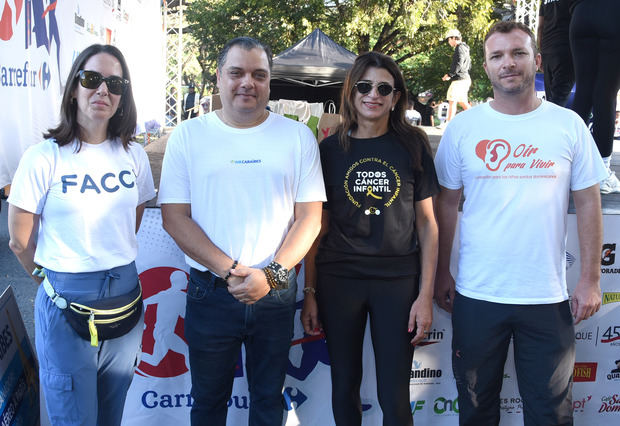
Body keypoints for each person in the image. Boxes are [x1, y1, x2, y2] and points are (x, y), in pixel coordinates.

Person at [434, 21, 606, 426]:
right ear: (486, 66)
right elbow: (446, 205)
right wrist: (442, 272)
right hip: (477, 296)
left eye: (517, 53)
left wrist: (591, 278)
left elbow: (588, 203)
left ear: (537, 60)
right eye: (497, 56)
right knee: (476, 412)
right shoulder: (463, 128)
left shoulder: (569, 126)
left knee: (550, 415)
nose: (507, 63)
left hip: (546, 299)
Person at [158, 37, 325, 426]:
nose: (247, 82)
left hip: (277, 292)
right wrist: (231, 271)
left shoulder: (297, 137)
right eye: (237, 73)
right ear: (219, 78)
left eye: (258, 74)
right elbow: (174, 217)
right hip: (211, 292)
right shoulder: (188, 136)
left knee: (268, 403)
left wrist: (271, 276)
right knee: (207, 404)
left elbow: (310, 219)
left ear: (269, 82)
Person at [7, 44, 155, 425]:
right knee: (72, 417)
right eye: (92, 79)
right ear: (74, 87)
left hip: (124, 303)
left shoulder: (134, 156)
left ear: (123, 96)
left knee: (112, 414)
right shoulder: (44, 157)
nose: (103, 90)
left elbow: (130, 222)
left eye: (115, 83)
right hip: (66, 304)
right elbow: (20, 240)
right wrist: (54, 279)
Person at [302, 52, 439, 426]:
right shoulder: (329, 150)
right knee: (344, 386)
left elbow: (428, 225)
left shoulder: (413, 145)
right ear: (351, 92)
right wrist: (309, 292)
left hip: (397, 283)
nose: (373, 95)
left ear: (396, 97)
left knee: (394, 395)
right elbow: (317, 227)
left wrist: (425, 295)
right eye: (364, 86)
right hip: (339, 280)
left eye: (384, 88)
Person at [570, 0, 620, 193]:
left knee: (583, 92)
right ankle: (602, 175)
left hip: (581, 14)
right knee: (605, 94)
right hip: (613, 12)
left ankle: (571, 167)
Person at [537, 0, 574, 107]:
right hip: (565, 49)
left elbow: (540, 27)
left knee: (552, 98)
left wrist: (541, 52)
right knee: (559, 100)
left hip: (547, 51)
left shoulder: (544, 1)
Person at [441, 29, 472, 125]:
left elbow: (459, 62)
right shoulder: (465, 48)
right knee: (463, 102)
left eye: (449, 39)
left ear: (454, 38)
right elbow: (468, 65)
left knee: (452, 100)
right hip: (465, 78)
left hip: (459, 80)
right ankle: (477, 120)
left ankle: (449, 123)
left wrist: (450, 74)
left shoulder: (460, 48)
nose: (449, 42)